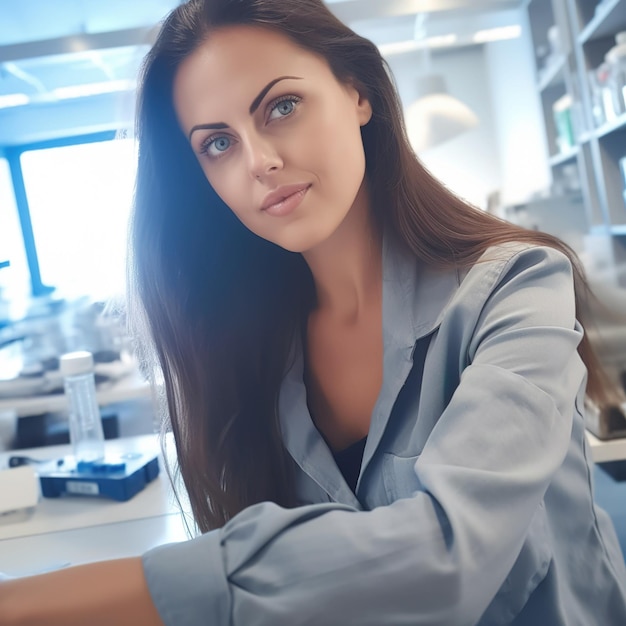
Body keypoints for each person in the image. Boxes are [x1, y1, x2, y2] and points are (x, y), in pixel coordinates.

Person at [1, 0, 626, 623]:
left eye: (282, 106)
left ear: (358, 93)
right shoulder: (247, 346)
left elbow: (451, 552)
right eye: (217, 143)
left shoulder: (515, 287)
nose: (258, 162)